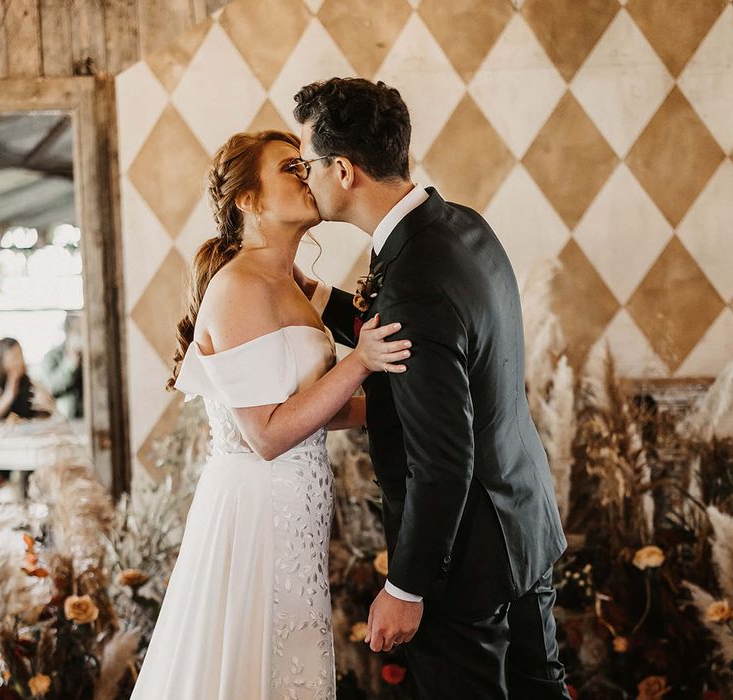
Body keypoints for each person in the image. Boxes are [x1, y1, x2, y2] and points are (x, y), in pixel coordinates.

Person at [291, 77, 570, 699]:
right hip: (523, 524)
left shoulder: (414, 277)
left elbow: (444, 460)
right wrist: (313, 294)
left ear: (342, 170)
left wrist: (406, 586)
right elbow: (411, 335)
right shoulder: (461, 227)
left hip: (466, 560)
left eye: (307, 163)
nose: (303, 178)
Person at [131, 130, 410, 700]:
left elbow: (303, 406)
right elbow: (265, 433)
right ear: (249, 200)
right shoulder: (237, 287)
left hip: (295, 510)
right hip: (253, 512)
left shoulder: (288, 286)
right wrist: (359, 364)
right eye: (290, 168)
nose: (306, 176)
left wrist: (391, 413)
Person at [0, 338, 54, 422]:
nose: (20, 361)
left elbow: (40, 414)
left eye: (20, 355)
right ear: (1, 361)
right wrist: (10, 393)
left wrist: (45, 404)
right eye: (14, 357)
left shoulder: (27, 382)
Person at [40, 313, 84, 419]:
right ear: (68, 332)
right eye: (78, 330)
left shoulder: (92, 355)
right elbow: (50, 387)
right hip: (64, 418)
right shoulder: (51, 356)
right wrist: (70, 364)